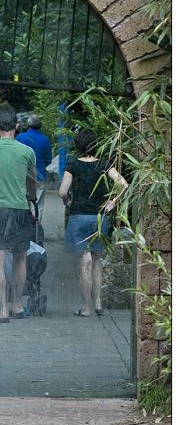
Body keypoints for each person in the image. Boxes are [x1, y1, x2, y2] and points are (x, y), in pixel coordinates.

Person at [58, 128, 128, 317]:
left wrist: (67, 201)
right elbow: (123, 184)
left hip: (79, 217)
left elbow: (63, 191)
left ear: (77, 146)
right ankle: (98, 303)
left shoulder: (73, 165)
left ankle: (85, 306)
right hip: (100, 218)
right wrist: (112, 202)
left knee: (84, 262)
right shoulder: (104, 165)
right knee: (97, 260)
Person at [0, 105, 37, 323]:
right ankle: (18, 305)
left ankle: (2, 310)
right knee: (20, 258)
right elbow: (31, 183)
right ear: (17, 126)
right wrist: (31, 198)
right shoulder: (27, 152)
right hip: (19, 208)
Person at [16, 113, 53, 227]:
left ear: (28, 125)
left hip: (21, 176)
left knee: (22, 202)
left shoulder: (19, 138)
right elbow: (48, 160)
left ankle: (22, 227)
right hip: (39, 176)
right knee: (38, 204)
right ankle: (35, 229)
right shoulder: (45, 140)